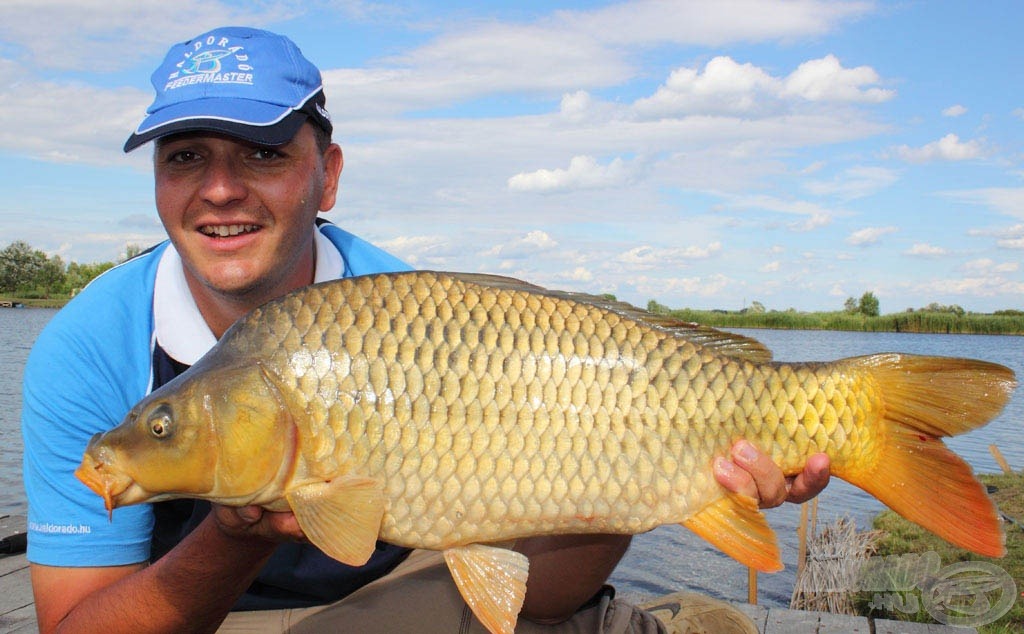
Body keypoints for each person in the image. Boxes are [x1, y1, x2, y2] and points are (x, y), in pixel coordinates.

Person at [22, 26, 830, 634]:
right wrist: (236, 535)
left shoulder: (416, 316)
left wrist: (657, 482)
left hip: (392, 606)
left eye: (263, 155)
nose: (222, 189)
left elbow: (537, 592)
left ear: (327, 176)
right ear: (157, 180)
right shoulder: (89, 347)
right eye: (186, 158)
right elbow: (74, 624)